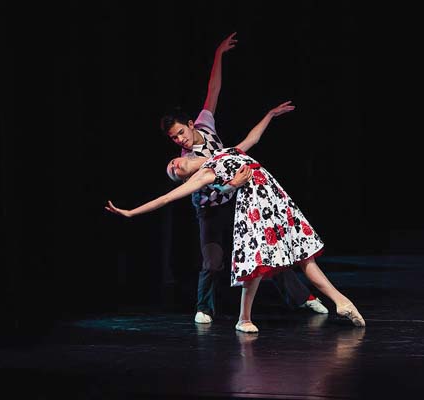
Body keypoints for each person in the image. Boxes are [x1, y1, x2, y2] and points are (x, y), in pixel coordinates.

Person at [106, 104, 366, 333]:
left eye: (172, 163)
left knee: (301, 254)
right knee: (255, 263)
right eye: (174, 171)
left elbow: (252, 138)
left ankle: (337, 300)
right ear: (185, 177)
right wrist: (131, 212)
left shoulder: (220, 152)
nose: (174, 165)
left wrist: (270, 115)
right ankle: (241, 317)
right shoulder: (204, 175)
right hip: (253, 208)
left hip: (273, 199)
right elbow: (165, 199)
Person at [160, 33, 328, 324]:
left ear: (190, 124)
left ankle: (304, 298)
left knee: (265, 251)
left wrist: (218, 54)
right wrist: (230, 185)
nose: (180, 140)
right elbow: (211, 182)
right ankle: (204, 308)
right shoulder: (185, 162)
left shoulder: (205, 124)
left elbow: (214, 89)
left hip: (235, 202)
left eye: (181, 133)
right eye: (174, 138)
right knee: (213, 261)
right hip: (210, 209)